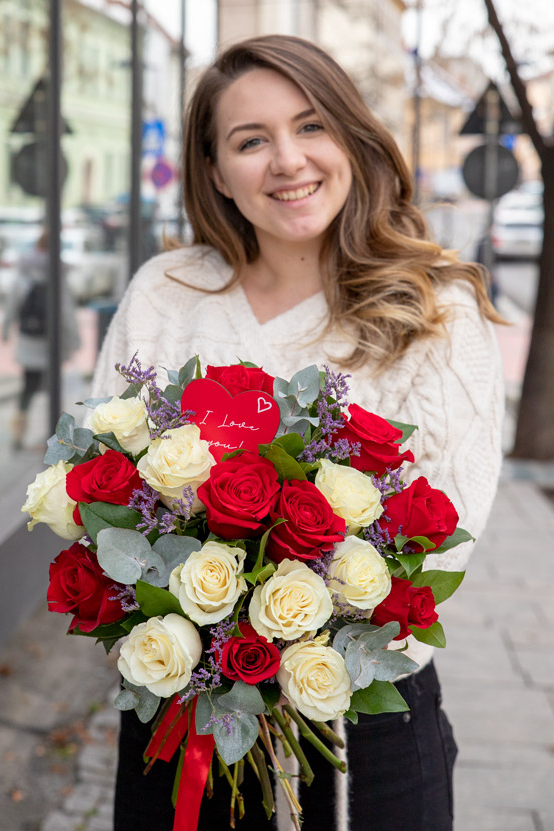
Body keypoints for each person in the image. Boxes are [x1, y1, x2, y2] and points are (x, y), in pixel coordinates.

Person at [90, 35, 504, 831]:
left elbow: (448, 524)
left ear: (350, 137)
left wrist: (289, 638)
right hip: (188, 720)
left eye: (310, 126)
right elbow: (100, 490)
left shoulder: (432, 308)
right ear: (214, 170)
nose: (287, 159)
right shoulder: (167, 294)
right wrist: (189, 632)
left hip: (371, 726)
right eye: (250, 141)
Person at [2, 231, 80, 450]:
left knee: (28, 387)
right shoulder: (59, 273)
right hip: (52, 344)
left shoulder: (24, 272)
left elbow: (11, 305)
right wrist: (74, 341)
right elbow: (67, 312)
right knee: (54, 389)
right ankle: (53, 436)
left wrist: (5, 329)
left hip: (29, 340)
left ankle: (19, 434)